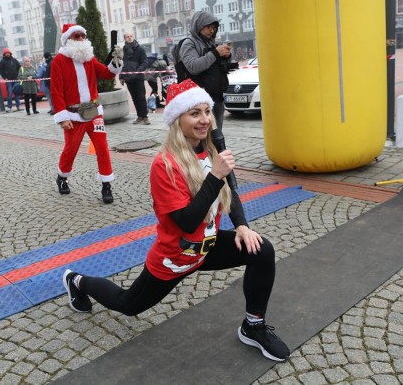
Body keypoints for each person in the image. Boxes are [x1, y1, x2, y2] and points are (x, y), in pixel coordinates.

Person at [61, 78, 291, 362]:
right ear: (177, 119)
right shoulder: (164, 164)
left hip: (206, 248)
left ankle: (253, 326)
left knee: (262, 250)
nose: (205, 119)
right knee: (128, 305)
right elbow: (186, 221)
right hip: (174, 258)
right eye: (194, 113)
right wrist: (215, 175)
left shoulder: (213, 149)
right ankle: (77, 281)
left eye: (207, 111)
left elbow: (230, 191)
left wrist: (242, 225)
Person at [50, 23, 123, 203]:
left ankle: (106, 186)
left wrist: (116, 61)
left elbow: (106, 74)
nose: (81, 39)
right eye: (77, 36)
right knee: (71, 149)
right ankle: (62, 177)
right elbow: (56, 91)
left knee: (102, 148)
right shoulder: (59, 61)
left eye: (82, 36)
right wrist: (62, 117)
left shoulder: (88, 59)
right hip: (73, 115)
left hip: (93, 113)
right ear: (68, 40)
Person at [173, 11, 232, 130]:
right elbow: (193, 67)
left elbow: (215, 67)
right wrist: (216, 53)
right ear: (198, 25)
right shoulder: (189, 43)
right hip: (198, 99)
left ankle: (216, 148)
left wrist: (226, 57)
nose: (211, 30)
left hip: (216, 97)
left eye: (214, 28)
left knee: (216, 134)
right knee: (203, 135)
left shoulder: (212, 43)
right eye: (208, 27)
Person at [120, 31, 149, 125]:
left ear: (133, 37)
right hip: (128, 78)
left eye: (131, 36)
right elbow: (121, 64)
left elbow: (145, 62)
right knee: (134, 98)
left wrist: (138, 70)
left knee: (141, 97)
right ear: (125, 38)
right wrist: (121, 76)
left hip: (138, 77)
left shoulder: (140, 49)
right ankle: (139, 116)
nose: (129, 38)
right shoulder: (123, 50)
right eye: (127, 36)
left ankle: (145, 116)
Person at [0, 48, 21, 112]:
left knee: (17, 93)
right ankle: (9, 106)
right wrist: (5, 77)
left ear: (10, 53)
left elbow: (19, 67)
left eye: (8, 53)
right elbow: (0, 70)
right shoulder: (2, 61)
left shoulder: (14, 60)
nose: (7, 54)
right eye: (6, 53)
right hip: (8, 80)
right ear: (4, 54)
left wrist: (18, 75)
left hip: (15, 79)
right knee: (9, 94)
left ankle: (18, 105)